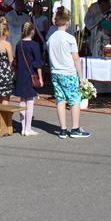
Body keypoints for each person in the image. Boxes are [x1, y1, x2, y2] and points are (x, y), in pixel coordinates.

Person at [47, 9, 90, 139]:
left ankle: (63, 129)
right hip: (68, 72)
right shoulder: (70, 38)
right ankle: (75, 128)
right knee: (74, 100)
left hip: (55, 71)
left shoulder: (51, 38)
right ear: (67, 22)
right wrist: (81, 77)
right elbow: (76, 58)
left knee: (60, 99)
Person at [15, 22, 43, 136]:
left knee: (22, 100)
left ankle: (23, 128)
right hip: (30, 75)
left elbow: (15, 62)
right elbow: (38, 64)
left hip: (20, 75)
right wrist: (40, 78)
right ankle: (28, 128)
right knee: (30, 101)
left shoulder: (18, 44)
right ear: (32, 31)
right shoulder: (35, 45)